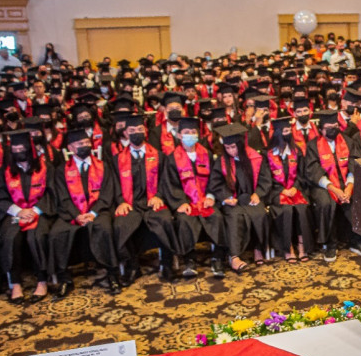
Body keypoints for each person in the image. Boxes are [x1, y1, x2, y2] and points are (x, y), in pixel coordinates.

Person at [49, 129, 120, 297]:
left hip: (98, 210)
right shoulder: (61, 170)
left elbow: (107, 193)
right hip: (71, 212)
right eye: (80, 144)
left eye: (87, 143)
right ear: (71, 148)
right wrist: (76, 215)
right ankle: (64, 278)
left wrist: (94, 213)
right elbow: (62, 197)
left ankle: (111, 273)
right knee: (56, 233)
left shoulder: (102, 165)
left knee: (104, 229)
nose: (85, 146)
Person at [111, 115, 178, 284]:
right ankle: (133, 266)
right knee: (120, 225)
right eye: (132, 131)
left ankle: (167, 263)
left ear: (146, 131)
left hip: (153, 201)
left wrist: (159, 196)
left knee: (165, 220)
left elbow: (165, 180)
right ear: (125, 133)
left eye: (140, 130)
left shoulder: (159, 156)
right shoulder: (117, 160)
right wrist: (121, 201)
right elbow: (114, 184)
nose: (136, 133)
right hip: (131, 204)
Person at [0, 130, 54, 304]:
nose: (19, 151)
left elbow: (51, 193)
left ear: (30, 149)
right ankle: (16, 283)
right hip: (15, 213)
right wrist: (17, 211)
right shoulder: (6, 171)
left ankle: (42, 280)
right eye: (15, 148)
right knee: (10, 238)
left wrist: (35, 210)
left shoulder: (44, 168)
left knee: (38, 236)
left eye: (22, 148)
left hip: (38, 212)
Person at [304, 110, 361, 261]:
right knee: (325, 202)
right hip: (324, 185)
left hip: (346, 182)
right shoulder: (313, 145)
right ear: (321, 129)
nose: (333, 129)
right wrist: (333, 188)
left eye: (335, 125)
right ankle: (330, 244)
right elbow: (313, 170)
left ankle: (357, 242)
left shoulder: (348, 141)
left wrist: (349, 187)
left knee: (358, 197)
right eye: (329, 127)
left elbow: (354, 164)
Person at [164, 117, 228, 278]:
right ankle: (189, 260)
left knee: (217, 217)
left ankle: (218, 258)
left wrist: (211, 196)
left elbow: (215, 178)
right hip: (187, 202)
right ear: (179, 135)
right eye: (187, 133)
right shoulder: (172, 158)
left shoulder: (206, 153)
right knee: (184, 220)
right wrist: (180, 202)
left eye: (193, 132)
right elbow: (170, 184)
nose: (190, 135)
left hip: (205, 200)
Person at [207, 123, 272, 271]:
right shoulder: (222, 162)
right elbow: (216, 183)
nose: (231, 151)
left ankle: (257, 249)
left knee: (259, 213)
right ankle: (234, 257)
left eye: (234, 147)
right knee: (234, 216)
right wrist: (226, 197)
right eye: (228, 148)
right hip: (233, 200)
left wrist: (258, 193)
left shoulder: (255, 157)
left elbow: (264, 179)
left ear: (240, 145)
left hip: (250, 197)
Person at [264, 117, 314, 263]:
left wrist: (295, 187)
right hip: (276, 192)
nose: (287, 134)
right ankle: (288, 248)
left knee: (301, 208)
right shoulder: (267, 154)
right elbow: (266, 179)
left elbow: (301, 174)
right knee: (286, 210)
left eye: (288, 131)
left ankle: (302, 245)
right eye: (284, 131)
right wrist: (281, 190)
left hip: (295, 189)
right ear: (276, 133)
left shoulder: (296, 151)